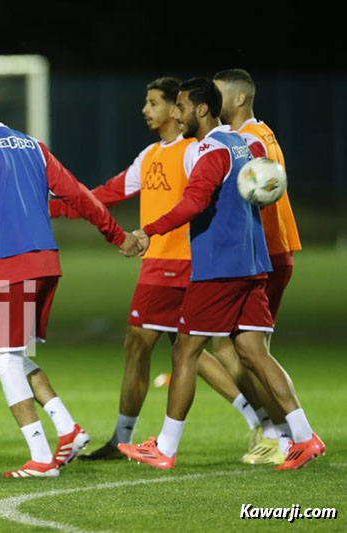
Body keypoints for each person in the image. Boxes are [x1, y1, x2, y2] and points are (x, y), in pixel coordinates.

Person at [0, 80, 141, 477]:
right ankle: (67, 429)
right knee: (16, 356)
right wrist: (118, 235)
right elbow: (78, 195)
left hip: (11, 266)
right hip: (45, 265)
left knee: (4, 362)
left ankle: (41, 458)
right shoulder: (33, 147)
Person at [50, 77, 263, 461]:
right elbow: (107, 194)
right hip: (160, 263)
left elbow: (200, 202)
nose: (146, 110)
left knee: (146, 343)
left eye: (154, 103)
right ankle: (259, 422)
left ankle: (124, 439)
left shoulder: (195, 150)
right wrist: (52, 206)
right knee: (189, 350)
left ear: (176, 109)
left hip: (178, 263)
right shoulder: (150, 155)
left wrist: (146, 232)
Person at [120, 78, 325, 471]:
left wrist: (148, 230)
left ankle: (164, 446)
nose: (175, 115)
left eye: (180, 107)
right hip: (252, 265)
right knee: (252, 351)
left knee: (185, 351)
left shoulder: (211, 150)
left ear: (201, 110)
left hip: (219, 269)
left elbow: (195, 202)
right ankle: (304, 438)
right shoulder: (245, 143)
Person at [214, 68, 302, 464]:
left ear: (238, 99)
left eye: (217, 95)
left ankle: (283, 434)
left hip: (262, 255)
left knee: (247, 350)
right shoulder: (261, 133)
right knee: (235, 347)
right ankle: (278, 430)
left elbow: (260, 186)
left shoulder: (248, 141)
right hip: (268, 253)